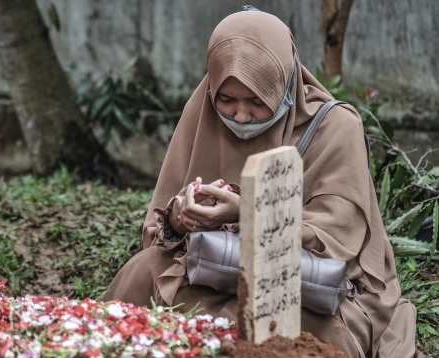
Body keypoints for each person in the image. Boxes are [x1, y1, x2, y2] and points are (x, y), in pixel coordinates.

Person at [103, 9, 422, 358]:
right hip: (212, 270)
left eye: (256, 101)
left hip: (300, 285)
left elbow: (338, 239)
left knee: (314, 336)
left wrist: (251, 213)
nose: (240, 116)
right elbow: (159, 228)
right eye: (226, 99)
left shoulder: (336, 127)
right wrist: (183, 216)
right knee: (141, 272)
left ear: (285, 83)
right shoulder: (201, 113)